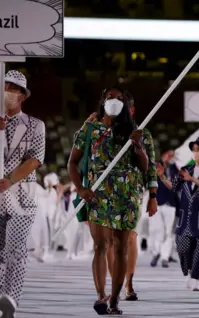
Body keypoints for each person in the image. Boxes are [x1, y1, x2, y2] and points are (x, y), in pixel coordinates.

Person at [68, 85, 158, 315]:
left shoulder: (140, 134)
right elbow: (72, 163)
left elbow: (147, 168)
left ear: (128, 106)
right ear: (102, 102)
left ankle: (116, 298)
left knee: (120, 248)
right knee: (100, 246)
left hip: (127, 198)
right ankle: (101, 296)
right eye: (110, 98)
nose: (115, 101)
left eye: (120, 99)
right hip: (98, 196)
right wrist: (80, 189)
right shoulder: (89, 130)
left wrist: (137, 146)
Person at [0, 70, 46, 318]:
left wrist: (11, 179)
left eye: (13, 88)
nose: (7, 92)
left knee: (15, 247)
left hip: (22, 197)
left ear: (22, 96)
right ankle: (1, 304)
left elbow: (36, 159)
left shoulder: (36, 125)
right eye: (3, 87)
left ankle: (12, 298)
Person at [168, 135, 199, 292]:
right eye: (194, 150)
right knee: (183, 245)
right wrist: (162, 176)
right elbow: (174, 186)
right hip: (186, 216)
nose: (195, 152)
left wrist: (191, 179)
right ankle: (190, 273)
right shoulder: (186, 169)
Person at [149, 150, 178, 269]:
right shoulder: (155, 167)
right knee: (157, 230)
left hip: (171, 204)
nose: (170, 157)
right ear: (163, 155)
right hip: (158, 202)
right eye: (168, 154)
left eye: (172, 155)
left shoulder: (175, 169)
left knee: (168, 232)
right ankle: (156, 253)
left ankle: (165, 257)